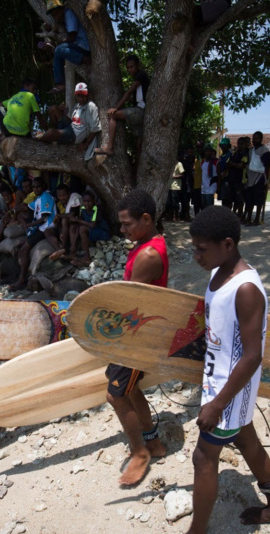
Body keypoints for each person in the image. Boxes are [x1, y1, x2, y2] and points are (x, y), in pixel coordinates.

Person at [153, 206, 270, 534]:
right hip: (222, 385)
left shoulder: (246, 289)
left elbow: (252, 356)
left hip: (230, 391)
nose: (195, 255)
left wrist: (217, 404)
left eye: (201, 249)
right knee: (246, 441)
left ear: (228, 244)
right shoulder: (219, 272)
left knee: (203, 457)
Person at [106, 189, 168, 486]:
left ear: (146, 219)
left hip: (137, 337)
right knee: (129, 390)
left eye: (127, 223)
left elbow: (133, 304)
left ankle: (139, 453)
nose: (122, 229)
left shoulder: (148, 254)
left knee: (115, 394)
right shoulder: (148, 244)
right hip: (137, 332)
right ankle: (153, 443)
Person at [94, 54, 150, 159]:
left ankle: (109, 147)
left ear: (138, 65)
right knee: (138, 146)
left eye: (131, 66)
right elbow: (136, 97)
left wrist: (116, 107)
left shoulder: (141, 75)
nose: (129, 70)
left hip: (140, 111)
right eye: (128, 68)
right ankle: (137, 170)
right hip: (143, 114)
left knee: (113, 115)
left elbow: (129, 91)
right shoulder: (140, 80)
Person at [9, 179, 58, 290]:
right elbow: (27, 207)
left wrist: (30, 224)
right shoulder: (39, 198)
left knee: (24, 249)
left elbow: (44, 218)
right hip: (40, 226)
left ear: (43, 187)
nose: (35, 189)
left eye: (38, 187)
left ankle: (21, 280)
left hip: (46, 226)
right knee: (21, 246)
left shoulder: (46, 197)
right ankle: (20, 277)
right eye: (34, 187)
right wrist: (14, 210)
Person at [39, 83, 101, 156]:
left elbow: (94, 129)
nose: (81, 98)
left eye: (83, 96)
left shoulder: (91, 106)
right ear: (75, 95)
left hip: (75, 135)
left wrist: (85, 145)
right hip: (71, 127)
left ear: (87, 95)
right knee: (53, 109)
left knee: (51, 133)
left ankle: (42, 140)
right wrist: (62, 113)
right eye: (79, 96)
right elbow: (73, 121)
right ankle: (53, 135)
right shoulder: (77, 105)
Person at [47, 0, 90, 94]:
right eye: (53, 15)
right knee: (58, 51)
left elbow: (72, 36)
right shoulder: (64, 18)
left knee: (59, 49)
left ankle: (84, 58)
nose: (56, 17)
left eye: (56, 14)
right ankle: (59, 83)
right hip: (78, 45)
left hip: (83, 45)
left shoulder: (69, 14)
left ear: (61, 10)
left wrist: (60, 43)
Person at [66, 189, 110, 266]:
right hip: (91, 230)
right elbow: (79, 221)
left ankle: (87, 257)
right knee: (74, 225)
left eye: (89, 201)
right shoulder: (82, 208)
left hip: (103, 232)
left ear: (94, 201)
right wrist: (75, 220)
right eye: (85, 201)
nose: (87, 203)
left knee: (82, 228)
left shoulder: (96, 209)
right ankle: (73, 251)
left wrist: (78, 220)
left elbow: (92, 225)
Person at [244, 131, 270, 225]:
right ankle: (248, 218)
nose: (255, 140)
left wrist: (267, 180)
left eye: (257, 138)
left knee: (259, 200)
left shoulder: (265, 151)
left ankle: (256, 219)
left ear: (261, 139)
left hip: (260, 178)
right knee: (249, 200)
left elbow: (267, 166)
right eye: (253, 138)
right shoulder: (251, 150)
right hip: (250, 177)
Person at [227, 136, 249, 220]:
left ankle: (240, 215)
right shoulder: (235, 153)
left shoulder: (244, 154)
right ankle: (232, 215)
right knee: (231, 198)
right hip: (232, 178)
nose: (239, 145)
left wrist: (232, 163)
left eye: (241, 144)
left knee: (239, 199)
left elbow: (241, 166)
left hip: (240, 179)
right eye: (238, 143)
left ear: (244, 144)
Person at [166, 156, 185, 221]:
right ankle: (169, 216)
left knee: (175, 203)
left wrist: (173, 177)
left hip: (176, 186)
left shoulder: (179, 164)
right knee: (169, 202)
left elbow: (182, 174)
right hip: (169, 186)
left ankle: (176, 217)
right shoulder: (169, 164)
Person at [216, 138, 233, 208]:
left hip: (228, 180)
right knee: (223, 199)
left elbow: (229, 167)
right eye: (222, 145)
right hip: (222, 180)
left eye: (225, 145)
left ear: (228, 146)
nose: (223, 147)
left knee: (228, 199)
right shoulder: (221, 156)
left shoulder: (230, 155)